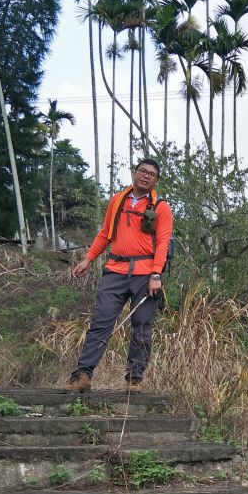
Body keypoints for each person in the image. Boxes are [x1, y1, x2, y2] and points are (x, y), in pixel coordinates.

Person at [64, 159, 173, 393]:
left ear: (156, 180)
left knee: (142, 327)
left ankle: (134, 379)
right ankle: (83, 375)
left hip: (145, 274)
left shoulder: (161, 207)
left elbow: (163, 242)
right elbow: (105, 233)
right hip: (115, 270)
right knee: (100, 322)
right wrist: (88, 259)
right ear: (135, 174)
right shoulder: (117, 200)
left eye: (151, 174)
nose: (146, 176)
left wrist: (156, 274)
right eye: (142, 171)